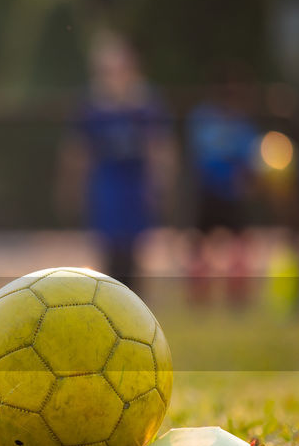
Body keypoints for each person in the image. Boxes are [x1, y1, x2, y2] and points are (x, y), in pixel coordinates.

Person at [58, 34, 175, 292]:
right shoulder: (91, 105)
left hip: (135, 183)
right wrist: (72, 187)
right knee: (109, 248)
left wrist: (161, 184)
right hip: (107, 183)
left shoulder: (145, 103)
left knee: (135, 249)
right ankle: (112, 298)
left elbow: (159, 147)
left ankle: (136, 302)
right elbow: (78, 151)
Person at [185, 75, 259, 305]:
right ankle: (200, 294)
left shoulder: (242, 123)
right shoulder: (203, 119)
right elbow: (197, 155)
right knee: (200, 247)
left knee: (239, 248)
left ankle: (237, 294)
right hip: (208, 192)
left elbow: (250, 159)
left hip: (232, 193)